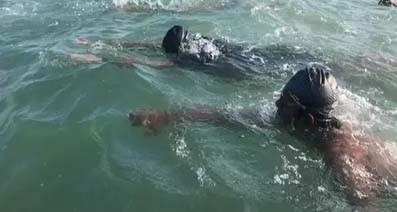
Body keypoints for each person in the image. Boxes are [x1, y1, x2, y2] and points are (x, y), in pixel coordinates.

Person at [129, 65, 397, 205]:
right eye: (281, 98)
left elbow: (366, 205)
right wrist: (167, 116)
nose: (277, 106)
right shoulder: (296, 123)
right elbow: (226, 116)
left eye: (286, 103)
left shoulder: (341, 157)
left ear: (310, 120)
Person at [71, 25, 317, 79]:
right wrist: (101, 40)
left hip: (256, 71)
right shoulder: (202, 41)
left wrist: (101, 58)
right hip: (256, 54)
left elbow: (147, 64)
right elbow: (150, 48)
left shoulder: (194, 60)